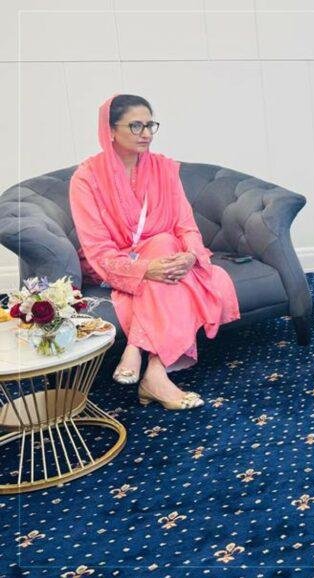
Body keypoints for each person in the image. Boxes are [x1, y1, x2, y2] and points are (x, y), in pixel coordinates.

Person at [70, 95, 241, 411]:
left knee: (163, 241)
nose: (146, 133)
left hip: (166, 256)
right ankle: (155, 371)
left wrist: (191, 256)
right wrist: (145, 269)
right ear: (110, 130)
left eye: (150, 125)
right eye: (136, 126)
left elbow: (186, 227)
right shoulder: (86, 178)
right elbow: (97, 249)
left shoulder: (164, 169)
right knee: (175, 259)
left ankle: (145, 358)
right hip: (116, 262)